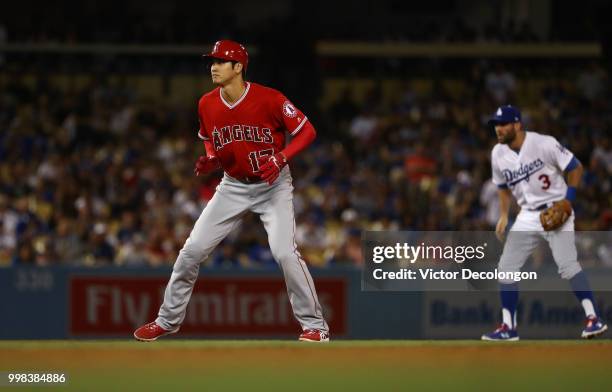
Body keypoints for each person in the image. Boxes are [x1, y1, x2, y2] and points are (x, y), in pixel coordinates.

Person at [134, 40, 329, 342]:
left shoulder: (269, 98)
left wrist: (281, 158)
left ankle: (315, 326)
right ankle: (166, 321)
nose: (213, 66)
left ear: (238, 67)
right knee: (191, 251)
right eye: (212, 61)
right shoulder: (206, 103)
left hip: (272, 185)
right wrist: (212, 157)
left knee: (284, 254)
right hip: (233, 185)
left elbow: (307, 131)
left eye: (221, 61)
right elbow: (208, 137)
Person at [481, 105, 607, 341]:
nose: (499, 129)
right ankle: (508, 328)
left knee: (568, 265)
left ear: (517, 124)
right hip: (527, 215)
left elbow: (575, 167)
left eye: (504, 124)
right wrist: (504, 215)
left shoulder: (543, 143)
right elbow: (501, 187)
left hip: (556, 208)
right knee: (506, 269)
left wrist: (568, 201)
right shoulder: (497, 153)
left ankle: (593, 318)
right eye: (496, 125)